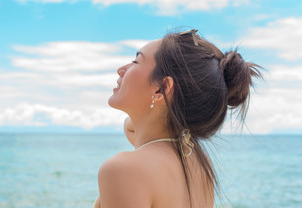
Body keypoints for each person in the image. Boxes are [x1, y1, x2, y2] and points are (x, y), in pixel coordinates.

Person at [94, 29, 262, 208]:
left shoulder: (123, 170)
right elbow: (132, 128)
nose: (121, 70)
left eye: (136, 61)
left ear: (162, 88)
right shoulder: (198, 163)